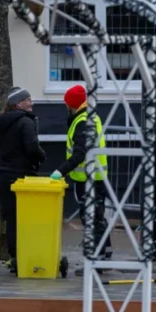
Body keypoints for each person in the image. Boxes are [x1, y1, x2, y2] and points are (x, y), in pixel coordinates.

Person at [0, 85, 45, 272]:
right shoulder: (26, 122)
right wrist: (42, 156)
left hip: (4, 175)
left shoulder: (1, 123)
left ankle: (15, 258)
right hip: (22, 176)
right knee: (27, 218)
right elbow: (31, 148)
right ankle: (28, 256)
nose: (31, 103)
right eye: (27, 100)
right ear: (18, 104)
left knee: (12, 219)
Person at [59, 82, 108, 255]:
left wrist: (60, 171)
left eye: (67, 104)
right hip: (96, 177)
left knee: (91, 218)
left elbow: (79, 153)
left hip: (89, 179)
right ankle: (104, 252)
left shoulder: (82, 122)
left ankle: (97, 256)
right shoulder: (90, 117)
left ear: (71, 105)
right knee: (97, 216)